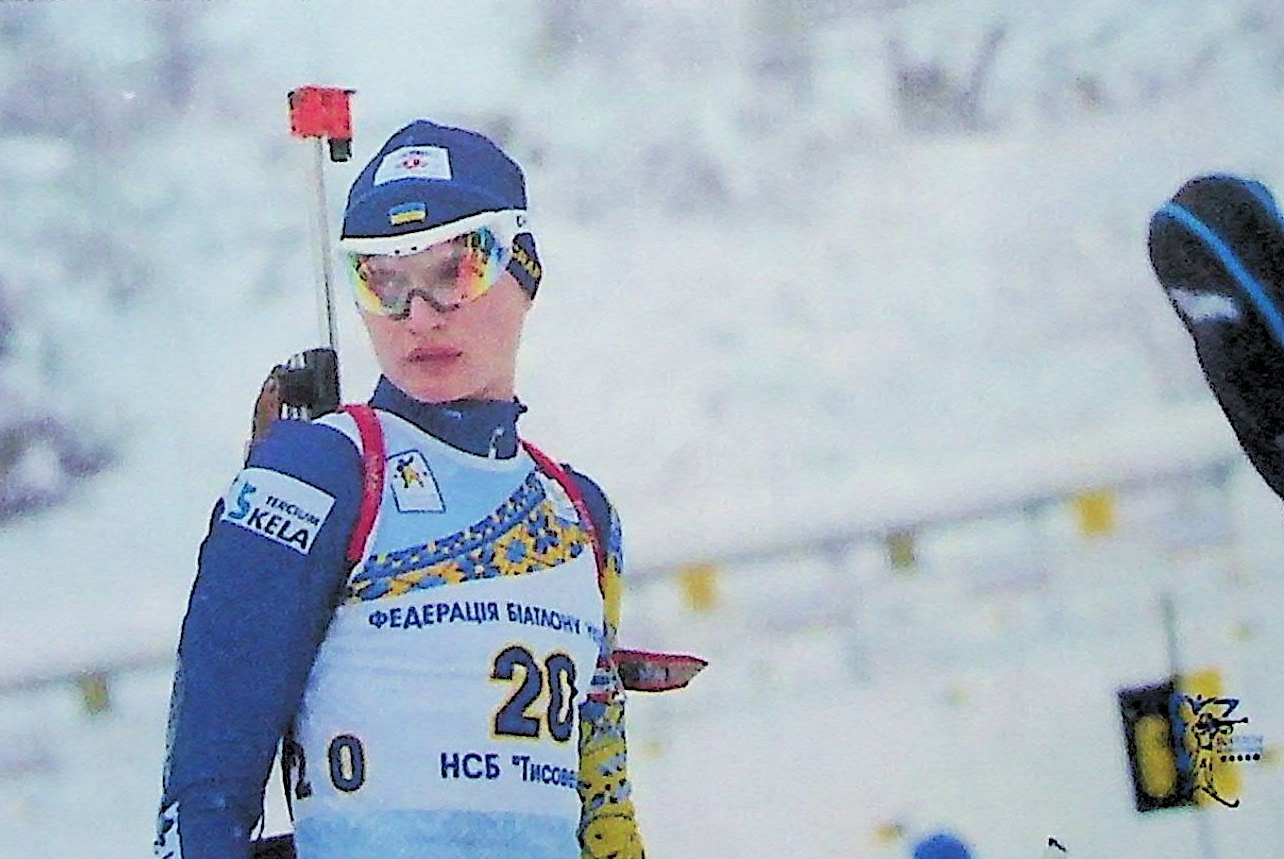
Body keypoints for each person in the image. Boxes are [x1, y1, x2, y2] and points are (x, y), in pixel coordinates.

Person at [155, 120, 646, 859]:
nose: (419, 315)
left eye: (457, 269)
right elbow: (207, 776)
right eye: (381, 281)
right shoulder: (324, 471)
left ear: (525, 272)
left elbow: (603, 794)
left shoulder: (578, 511)